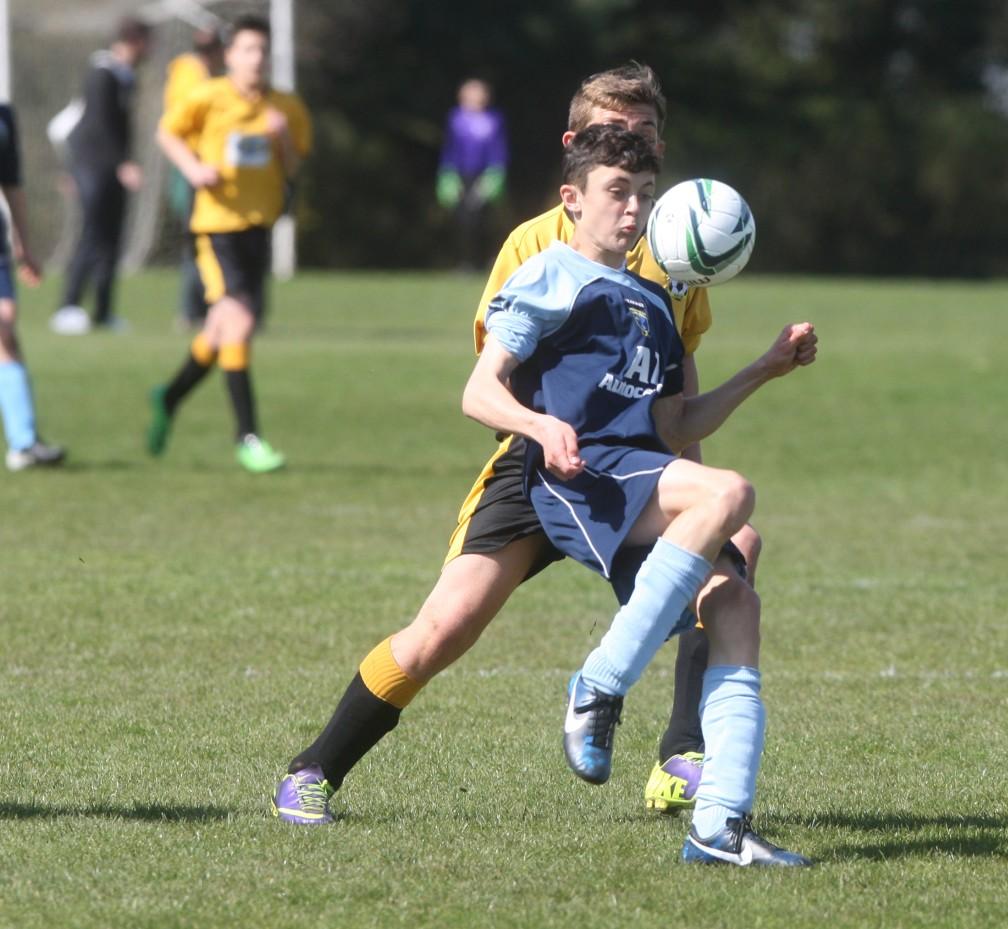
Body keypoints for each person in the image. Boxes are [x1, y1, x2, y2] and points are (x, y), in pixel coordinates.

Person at [271, 63, 760, 825]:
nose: (630, 153)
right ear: (577, 152)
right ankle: (313, 768)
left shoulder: (676, 259)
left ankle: (680, 757)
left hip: (632, 464)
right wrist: (546, 430)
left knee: (733, 554)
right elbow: (493, 385)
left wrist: (686, 486)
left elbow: (675, 394)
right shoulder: (535, 248)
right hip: (540, 469)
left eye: (643, 139)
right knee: (444, 628)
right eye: (615, 138)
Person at [464, 123, 817, 866]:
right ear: (573, 199)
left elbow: (675, 423)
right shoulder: (549, 275)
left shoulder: (657, 307)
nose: (632, 210)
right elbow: (477, 390)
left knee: (734, 602)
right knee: (730, 492)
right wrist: (537, 425)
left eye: (645, 195)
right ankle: (598, 685)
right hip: (582, 477)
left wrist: (763, 369)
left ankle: (720, 826)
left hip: (637, 472)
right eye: (617, 193)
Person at [146, 15, 311, 473]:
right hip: (216, 228)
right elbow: (166, 132)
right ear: (230, 55)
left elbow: (295, 166)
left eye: (261, 50)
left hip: (259, 228)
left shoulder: (285, 107)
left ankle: (170, 395)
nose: (255, 58)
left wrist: (280, 139)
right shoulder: (208, 96)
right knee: (237, 324)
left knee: (221, 332)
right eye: (246, 50)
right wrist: (193, 169)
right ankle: (248, 437)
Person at [51, 16, 152, 335]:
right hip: (92, 166)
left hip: (112, 169)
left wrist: (124, 161)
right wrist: (123, 162)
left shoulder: (126, 77)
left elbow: (123, 130)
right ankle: (67, 307)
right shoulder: (101, 73)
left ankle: (104, 311)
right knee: (91, 234)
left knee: (112, 239)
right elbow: (99, 126)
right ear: (135, 41)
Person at [0, 104, 65, 471]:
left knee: (5, 324)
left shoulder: (5, 116)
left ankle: (23, 442)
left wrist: (24, 244)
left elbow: (12, 184)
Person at [163, 27, 224, 330]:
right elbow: (171, 129)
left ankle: (213, 307)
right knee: (198, 237)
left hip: (214, 166)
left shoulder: (212, 78)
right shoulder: (189, 77)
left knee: (211, 238)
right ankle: (191, 310)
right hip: (193, 166)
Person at [436, 78, 508, 270]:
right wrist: (447, 175)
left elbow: (498, 151)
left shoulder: (493, 120)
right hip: (460, 175)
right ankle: (465, 262)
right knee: (463, 219)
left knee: (484, 218)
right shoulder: (455, 119)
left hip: (485, 176)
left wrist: (495, 176)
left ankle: (488, 260)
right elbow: (449, 150)